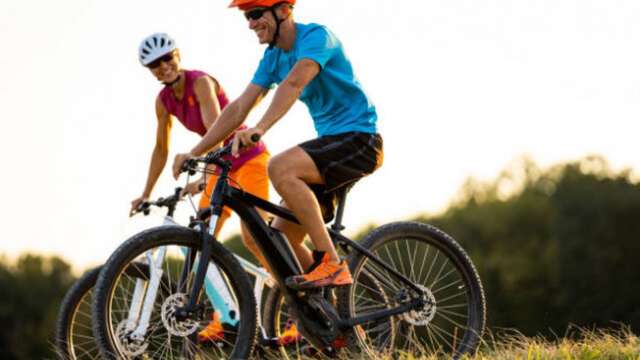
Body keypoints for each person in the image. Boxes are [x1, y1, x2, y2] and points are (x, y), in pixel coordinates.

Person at [173, 0, 383, 290]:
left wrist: (259, 129)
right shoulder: (272, 58)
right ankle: (330, 321)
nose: (250, 23)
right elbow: (238, 109)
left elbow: (294, 84)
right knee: (276, 239)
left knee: (280, 167)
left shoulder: (317, 37)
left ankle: (333, 265)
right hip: (330, 146)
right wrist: (194, 153)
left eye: (256, 14)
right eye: (247, 17)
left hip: (360, 139)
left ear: (284, 10)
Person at [132, 33, 271, 341]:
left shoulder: (201, 83)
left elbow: (216, 129)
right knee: (197, 240)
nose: (163, 67)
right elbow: (160, 149)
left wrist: (199, 173)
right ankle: (229, 317)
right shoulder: (163, 101)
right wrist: (146, 193)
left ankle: (292, 297)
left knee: (255, 237)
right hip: (219, 166)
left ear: (178, 56)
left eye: (167, 59)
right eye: (155, 65)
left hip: (247, 159)